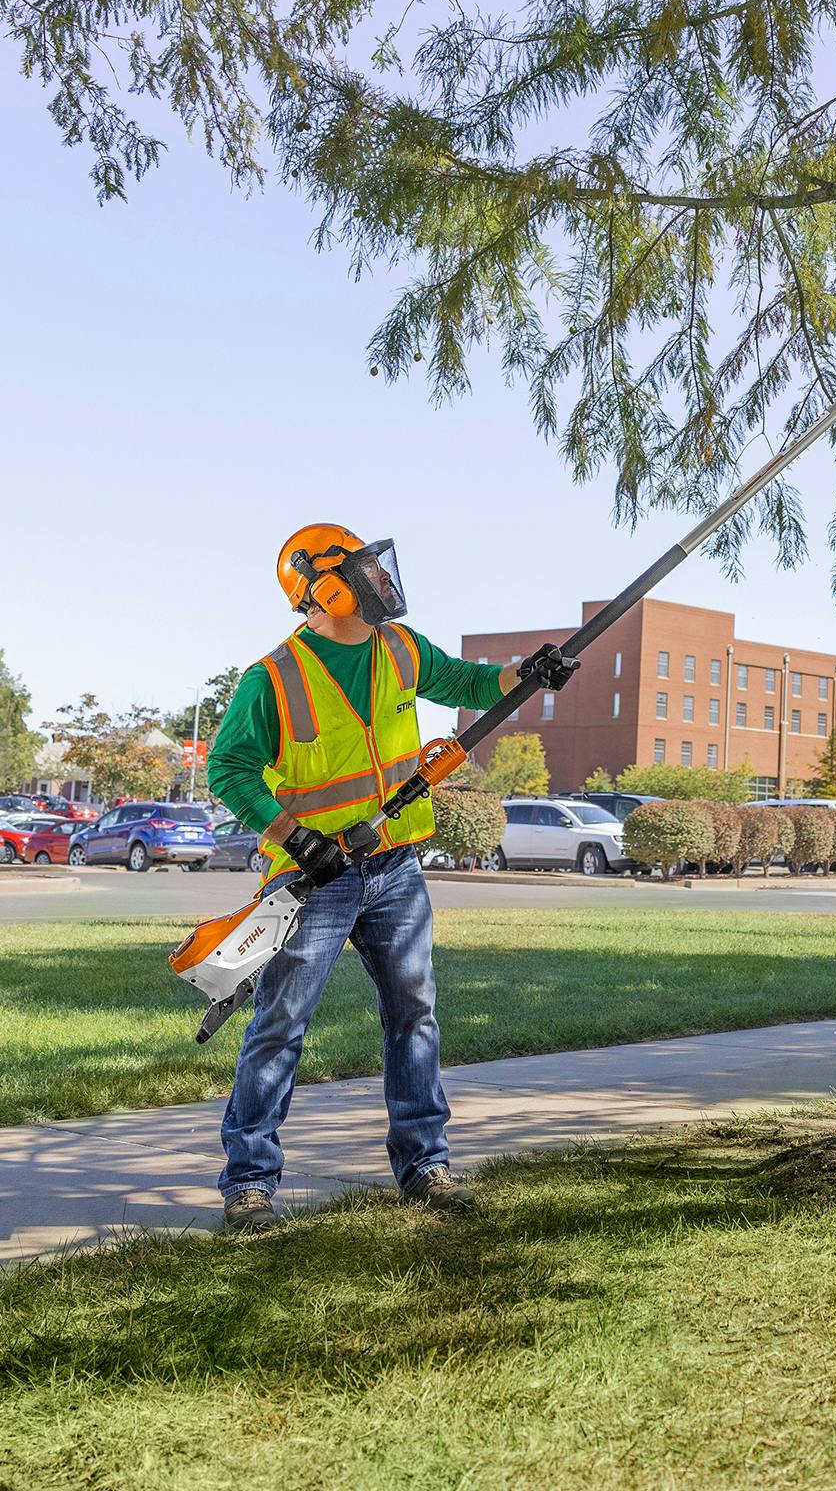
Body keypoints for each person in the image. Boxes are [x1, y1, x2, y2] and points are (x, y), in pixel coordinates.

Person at [204, 523, 554, 1234]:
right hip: (315, 878)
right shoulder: (272, 679)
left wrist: (532, 671)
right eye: (363, 571)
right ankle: (249, 1183)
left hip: (394, 866)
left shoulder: (401, 646)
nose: (381, 581)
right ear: (324, 588)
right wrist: (296, 839)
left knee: (414, 1012)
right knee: (280, 1025)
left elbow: (473, 683)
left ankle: (426, 1166)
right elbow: (229, 771)